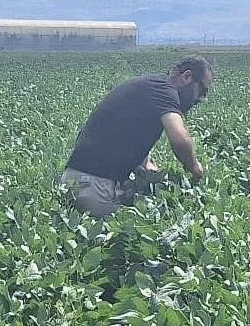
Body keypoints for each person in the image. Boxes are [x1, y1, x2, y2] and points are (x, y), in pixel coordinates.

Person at [61, 55, 212, 217]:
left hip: (80, 181)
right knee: (130, 235)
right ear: (187, 77)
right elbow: (180, 140)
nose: (201, 99)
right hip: (94, 185)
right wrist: (195, 168)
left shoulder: (153, 87)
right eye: (202, 90)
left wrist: (155, 174)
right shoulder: (166, 91)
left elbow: (133, 143)